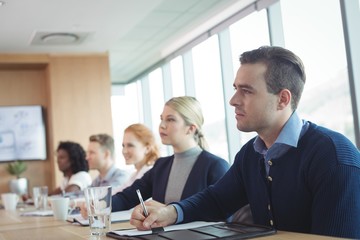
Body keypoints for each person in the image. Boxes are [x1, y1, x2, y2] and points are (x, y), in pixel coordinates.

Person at [130, 46, 360, 239]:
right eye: (235, 89)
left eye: (246, 91)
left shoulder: (334, 156)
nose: (233, 100)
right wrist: (171, 213)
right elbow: (217, 200)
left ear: (282, 99)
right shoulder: (251, 153)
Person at [109, 96, 230, 212]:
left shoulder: (215, 166)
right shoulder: (161, 166)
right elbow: (127, 198)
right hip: (161, 233)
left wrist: (168, 211)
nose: (162, 125)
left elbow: (221, 212)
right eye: (161, 119)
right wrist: (98, 205)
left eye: (170, 119)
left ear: (191, 128)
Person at [113, 123, 160, 194]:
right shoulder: (134, 175)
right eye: (123, 145)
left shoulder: (149, 173)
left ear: (147, 148)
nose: (124, 151)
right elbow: (118, 193)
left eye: (130, 145)